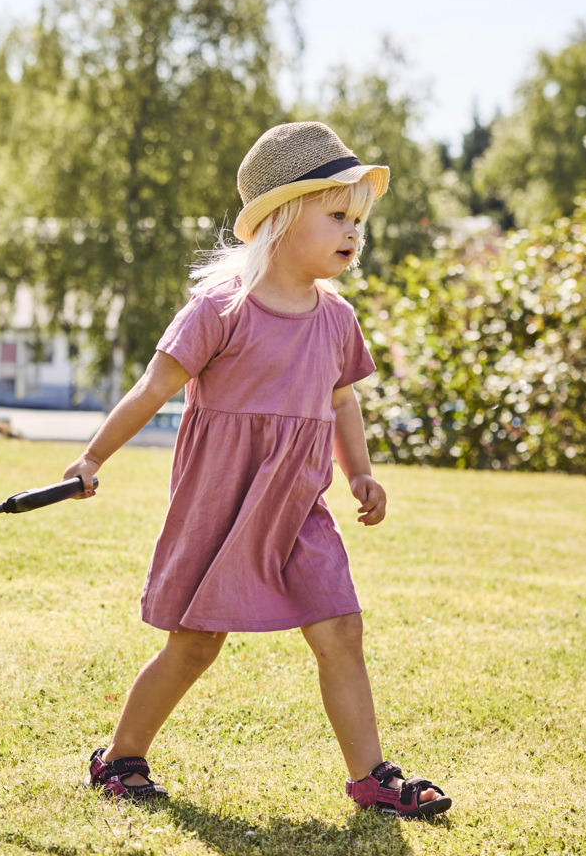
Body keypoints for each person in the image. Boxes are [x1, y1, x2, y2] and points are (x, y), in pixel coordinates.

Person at [62, 121, 451, 819]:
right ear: (279, 220)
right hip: (224, 502)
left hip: (300, 505)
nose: (353, 232)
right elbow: (152, 388)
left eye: (357, 220)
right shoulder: (220, 309)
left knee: (341, 629)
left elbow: (341, 401)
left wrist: (359, 474)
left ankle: (371, 777)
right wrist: (92, 457)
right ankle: (120, 757)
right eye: (337, 215)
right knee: (195, 645)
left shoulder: (336, 319)